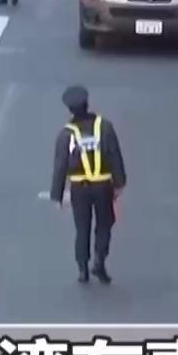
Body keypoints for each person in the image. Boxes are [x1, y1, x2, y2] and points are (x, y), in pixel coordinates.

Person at [50, 86, 126, 284]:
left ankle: (82, 269)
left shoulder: (66, 134)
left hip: (79, 188)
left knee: (82, 228)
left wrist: (57, 195)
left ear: (70, 110)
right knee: (104, 224)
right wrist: (119, 183)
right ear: (87, 104)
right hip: (103, 185)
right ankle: (99, 260)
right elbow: (114, 154)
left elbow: (60, 165)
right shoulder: (105, 127)